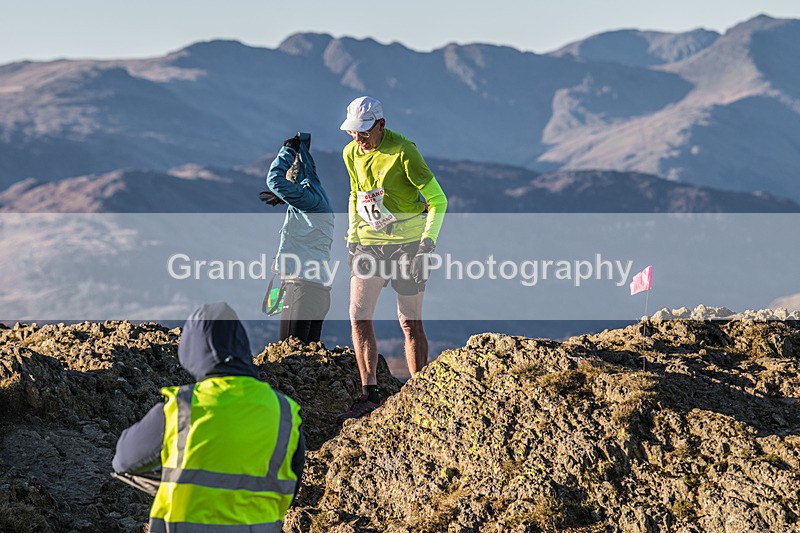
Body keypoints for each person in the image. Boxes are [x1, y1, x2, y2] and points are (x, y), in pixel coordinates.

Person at [112, 302, 305, 532]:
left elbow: (124, 460)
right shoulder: (285, 412)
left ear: (191, 351)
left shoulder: (183, 407)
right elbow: (290, 489)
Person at [336, 96, 447, 422]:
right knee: (358, 315)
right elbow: (356, 196)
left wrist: (427, 243)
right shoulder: (350, 153)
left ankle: (419, 390)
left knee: (409, 323)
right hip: (369, 244)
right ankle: (369, 394)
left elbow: (438, 200)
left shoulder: (404, 151)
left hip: (409, 244)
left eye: (365, 131)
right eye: (353, 131)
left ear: (381, 125)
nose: (358, 138)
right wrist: (353, 240)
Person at [260, 132, 334, 344]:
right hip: (318, 293)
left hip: (302, 291)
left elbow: (274, 180)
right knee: (309, 364)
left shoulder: (310, 200)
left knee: (291, 360)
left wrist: (287, 151)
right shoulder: (317, 197)